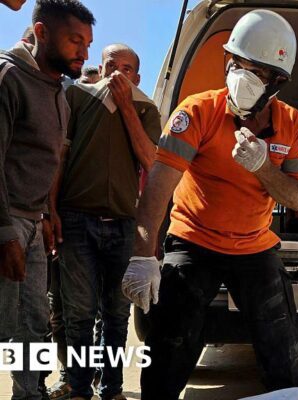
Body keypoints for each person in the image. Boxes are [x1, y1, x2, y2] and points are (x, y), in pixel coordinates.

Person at [121, 9, 298, 399]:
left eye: (256, 72)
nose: (241, 76)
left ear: (277, 82)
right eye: (237, 64)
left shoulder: (293, 125)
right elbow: (158, 185)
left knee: (281, 346)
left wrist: (263, 167)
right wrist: (142, 254)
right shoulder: (197, 111)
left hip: (254, 246)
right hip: (194, 240)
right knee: (170, 342)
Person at [48, 43, 161, 400]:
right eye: (111, 66)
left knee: (116, 314)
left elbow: (150, 160)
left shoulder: (146, 108)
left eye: (126, 69)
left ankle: (112, 389)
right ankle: (80, 389)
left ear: (136, 77)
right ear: (100, 67)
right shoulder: (76, 97)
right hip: (76, 219)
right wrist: (51, 210)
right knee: (79, 314)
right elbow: (60, 157)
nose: (117, 75)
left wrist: (126, 106)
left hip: (124, 224)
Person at [0, 0, 94, 398]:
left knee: (34, 322)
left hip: (33, 223)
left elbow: (47, 160)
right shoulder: (9, 78)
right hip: (7, 222)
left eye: (87, 43)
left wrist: (47, 213)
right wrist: (6, 233)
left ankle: (29, 395)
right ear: (41, 33)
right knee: (5, 323)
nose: (84, 53)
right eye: (75, 40)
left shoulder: (57, 89)